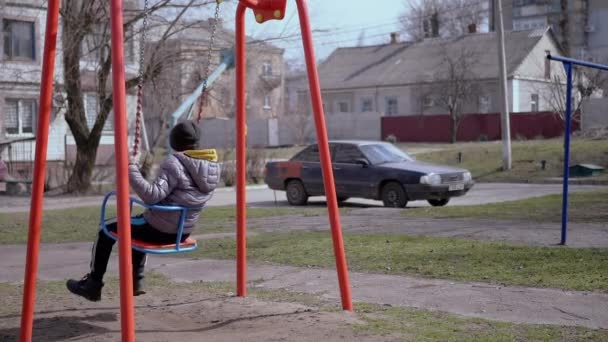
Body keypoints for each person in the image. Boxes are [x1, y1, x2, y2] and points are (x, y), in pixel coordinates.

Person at [67, 121, 220, 301]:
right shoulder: (211, 166)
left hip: (159, 231)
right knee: (137, 226)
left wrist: (130, 167)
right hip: (182, 231)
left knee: (106, 229)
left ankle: (93, 283)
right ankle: (137, 280)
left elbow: (152, 196)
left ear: (174, 142)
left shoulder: (174, 163)